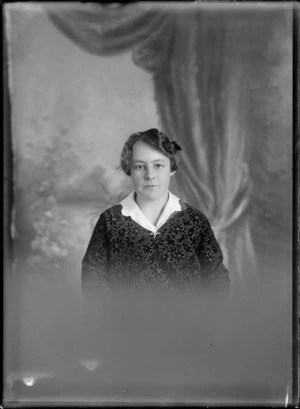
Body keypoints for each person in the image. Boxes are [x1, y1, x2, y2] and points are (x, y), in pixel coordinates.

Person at [81, 128, 230, 296]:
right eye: (140, 166)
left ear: (172, 168)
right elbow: (93, 276)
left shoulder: (195, 221)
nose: (150, 175)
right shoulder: (110, 221)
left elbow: (217, 279)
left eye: (158, 165)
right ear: (129, 170)